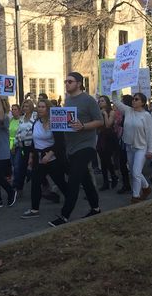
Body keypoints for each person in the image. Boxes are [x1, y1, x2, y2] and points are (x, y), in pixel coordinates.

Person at [48, 72, 103, 227]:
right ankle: (96, 208)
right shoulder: (67, 100)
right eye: (65, 81)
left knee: (73, 180)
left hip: (86, 146)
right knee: (86, 180)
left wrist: (83, 126)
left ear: (78, 83)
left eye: (70, 81)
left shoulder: (88, 100)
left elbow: (100, 121)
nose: (66, 83)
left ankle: (64, 216)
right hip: (71, 147)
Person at [21, 99, 68, 219]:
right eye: (39, 107)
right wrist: (31, 156)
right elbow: (34, 141)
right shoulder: (36, 122)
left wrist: (49, 154)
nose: (40, 109)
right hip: (39, 157)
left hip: (52, 158)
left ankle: (71, 198)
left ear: (48, 109)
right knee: (35, 183)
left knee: (60, 182)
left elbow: (60, 142)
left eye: (43, 107)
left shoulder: (55, 122)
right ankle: (34, 209)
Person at [112, 90, 152, 204]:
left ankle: (135, 197)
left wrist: (151, 150)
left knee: (135, 172)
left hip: (141, 147)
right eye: (133, 99)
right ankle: (146, 188)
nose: (133, 101)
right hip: (129, 146)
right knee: (135, 172)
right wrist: (114, 88)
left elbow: (150, 134)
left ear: (143, 102)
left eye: (136, 99)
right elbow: (115, 101)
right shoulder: (128, 111)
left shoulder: (146, 116)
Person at [13, 100, 36, 195]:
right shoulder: (21, 118)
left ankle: (43, 185)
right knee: (20, 167)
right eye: (24, 106)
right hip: (22, 146)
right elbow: (18, 131)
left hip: (33, 146)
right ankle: (19, 187)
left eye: (27, 106)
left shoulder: (35, 117)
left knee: (35, 167)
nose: (25, 108)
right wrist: (15, 142)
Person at [96, 95, 118, 191]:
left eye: (102, 101)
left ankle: (113, 176)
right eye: (99, 101)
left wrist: (105, 114)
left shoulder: (111, 112)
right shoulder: (97, 112)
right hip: (101, 136)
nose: (100, 102)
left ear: (107, 102)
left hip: (109, 137)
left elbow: (108, 125)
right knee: (102, 160)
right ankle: (105, 182)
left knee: (107, 159)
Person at [112, 95, 132, 193]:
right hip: (123, 141)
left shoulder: (131, 113)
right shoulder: (123, 114)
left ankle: (141, 186)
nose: (121, 103)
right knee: (122, 164)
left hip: (131, 143)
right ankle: (126, 184)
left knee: (134, 167)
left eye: (122, 101)